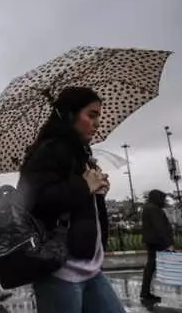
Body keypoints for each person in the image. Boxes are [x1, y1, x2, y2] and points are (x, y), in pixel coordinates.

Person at [20, 87, 125, 313]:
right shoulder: (48, 151)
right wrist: (84, 186)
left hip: (90, 267)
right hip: (60, 271)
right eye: (91, 115)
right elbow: (33, 202)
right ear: (70, 115)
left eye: (99, 115)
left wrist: (96, 192)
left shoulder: (82, 154)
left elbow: (76, 202)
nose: (97, 123)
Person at [140, 189, 175, 304]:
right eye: (162, 198)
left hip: (152, 242)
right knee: (153, 267)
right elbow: (160, 227)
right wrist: (169, 243)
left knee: (151, 267)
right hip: (157, 242)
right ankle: (145, 293)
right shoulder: (154, 209)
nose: (163, 201)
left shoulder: (148, 207)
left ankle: (145, 293)